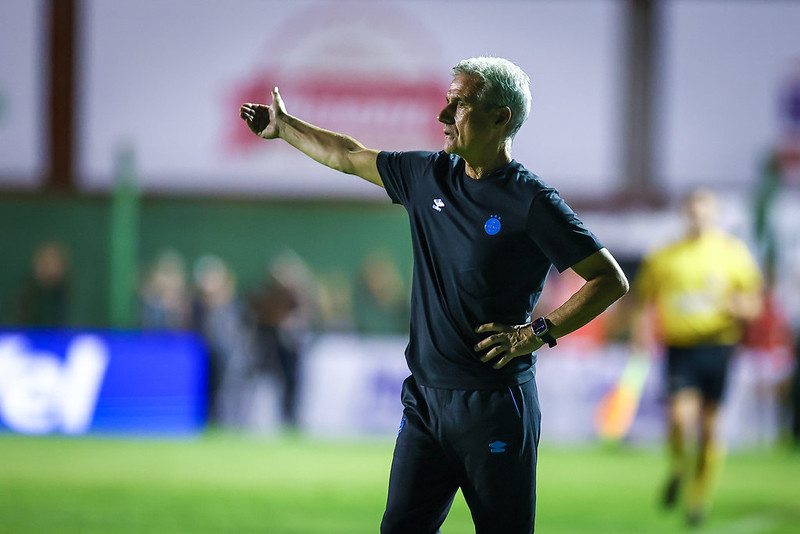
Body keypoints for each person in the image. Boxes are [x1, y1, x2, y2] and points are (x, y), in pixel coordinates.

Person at [240, 56, 628, 533]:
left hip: (494, 405)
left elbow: (609, 279)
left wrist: (535, 333)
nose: (443, 115)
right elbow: (348, 155)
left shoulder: (532, 202)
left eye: (459, 105)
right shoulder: (427, 175)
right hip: (424, 402)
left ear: (500, 117)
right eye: (447, 102)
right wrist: (285, 127)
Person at [630, 188, 763, 526]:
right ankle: (678, 466)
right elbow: (644, 299)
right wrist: (641, 333)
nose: (699, 218)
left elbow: (754, 303)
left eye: (705, 212)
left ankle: (698, 500)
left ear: (715, 215)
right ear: (685, 214)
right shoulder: (666, 255)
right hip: (681, 347)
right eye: (693, 212)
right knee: (679, 418)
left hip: (719, 346)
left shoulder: (733, 253)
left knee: (710, 430)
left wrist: (741, 307)